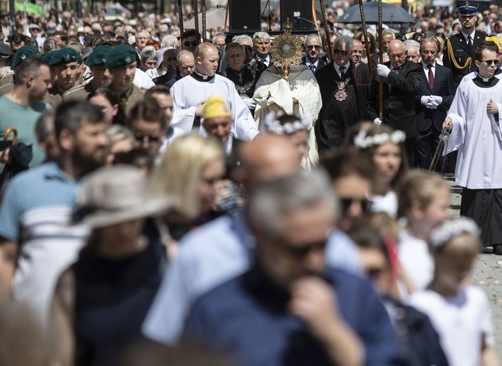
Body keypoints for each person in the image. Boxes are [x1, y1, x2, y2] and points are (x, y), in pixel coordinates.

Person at [142, 134, 361, 345]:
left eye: (292, 182)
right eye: (270, 184)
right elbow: (166, 340)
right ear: (242, 181)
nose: (284, 195)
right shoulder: (200, 253)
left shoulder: (337, 249)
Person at [181, 172, 402, 365]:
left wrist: (336, 335)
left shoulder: (356, 295)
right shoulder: (216, 310)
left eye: (322, 246)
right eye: (299, 250)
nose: (314, 261)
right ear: (261, 236)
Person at [0, 100, 109, 326]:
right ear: (66, 139)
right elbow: (6, 260)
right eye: (94, 134)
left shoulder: (111, 187)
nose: (103, 141)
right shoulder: (23, 187)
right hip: (30, 331)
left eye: (103, 133)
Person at [50, 166, 172, 366]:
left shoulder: (168, 265)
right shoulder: (70, 281)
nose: (125, 228)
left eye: (132, 218)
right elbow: (60, 359)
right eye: (115, 221)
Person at [444, 43, 502, 255]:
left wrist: (501, 110)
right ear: (477, 63)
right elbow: (458, 112)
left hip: (497, 148)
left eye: (495, 62)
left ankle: (499, 240)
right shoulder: (467, 84)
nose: (493, 65)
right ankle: (472, 239)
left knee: (498, 191)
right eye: (488, 62)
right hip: (474, 147)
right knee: (475, 191)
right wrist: (451, 121)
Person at [348, 221, 450, 366]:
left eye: (374, 273)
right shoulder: (319, 328)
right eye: (357, 273)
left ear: (389, 272)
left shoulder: (416, 324)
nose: (366, 283)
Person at [407, 218, 500, 366]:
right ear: (436, 257)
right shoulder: (418, 305)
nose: (462, 271)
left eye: (468, 264)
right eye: (455, 264)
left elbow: (484, 348)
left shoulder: (476, 299)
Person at [0, 56, 52, 204]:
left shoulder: (47, 111)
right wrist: (0, 156)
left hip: (42, 196)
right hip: (5, 198)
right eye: (46, 82)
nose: (50, 86)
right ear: (30, 80)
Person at [170, 43, 259, 141]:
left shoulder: (226, 84)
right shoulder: (180, 86)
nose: (216, 64)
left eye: (217, 60)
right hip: (196, 146)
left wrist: (253, 135)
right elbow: (169, 117)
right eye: (212, 61)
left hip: (223, 146)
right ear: (199, 60)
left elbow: (240, 116)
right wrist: (193, 112)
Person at [150, 133, 228, 237]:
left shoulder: (223, 223)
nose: (218, 188)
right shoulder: (149, 231)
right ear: (182, 178)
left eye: (220, 178)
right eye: (210, 181)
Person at [314, 36, 373, 151]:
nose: (339, 55)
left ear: (350, 53)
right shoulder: (321, 74)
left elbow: (370, 100)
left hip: (354, 131)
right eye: (336, 51)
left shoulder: (362, 73)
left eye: (344, 52)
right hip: (329, 132)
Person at [396, 170, 452, 293]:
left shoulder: (442, 240)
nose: (449, 213)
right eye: (443, 207)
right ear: (418, 210)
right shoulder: (402, 250)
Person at [372, 39, 423, 164]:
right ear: (388, 54)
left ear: (405, 53)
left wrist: (389, 75)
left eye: (400, 55)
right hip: (385, 124)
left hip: (405, 126)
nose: (397, 59)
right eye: (393, 56)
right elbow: (372, 98)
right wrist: (373, 117)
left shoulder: (414, 68)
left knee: (405, 163)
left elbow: (410, 86)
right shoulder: (381, 69)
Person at [414, 37, 455, 169]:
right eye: (425, 52)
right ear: (420, 52)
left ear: (437, 52)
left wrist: (441, 100)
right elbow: (408, 95)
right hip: (421, 122)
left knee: (440, 160)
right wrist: (421, 99)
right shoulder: (414, 71)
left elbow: (452, 96)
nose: (429, 55)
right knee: (423, 161)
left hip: (439, 122)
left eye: (432, 52)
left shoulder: (445, 72)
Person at [353, 124, 408, 217]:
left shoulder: (406, 195)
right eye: (384, 155)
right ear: (368, 157)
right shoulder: (354, 198)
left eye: (396, 155)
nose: (392, 162)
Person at [442, 4, 486, 84]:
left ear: (476, 18)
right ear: (459, 18)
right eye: (464, 17)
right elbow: (447, 70)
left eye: (470, 17)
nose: (467, 19)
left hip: (480, 85)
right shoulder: (452, 42)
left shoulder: (484, 39)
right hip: (459, 86)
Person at [106, 45, 146, 118]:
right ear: (111, 70)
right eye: (122, 68)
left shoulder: (146, 98)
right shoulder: (101, 99)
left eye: (131, 67)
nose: (128, 73)